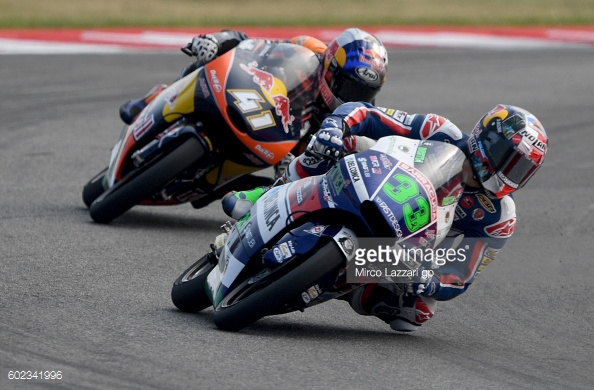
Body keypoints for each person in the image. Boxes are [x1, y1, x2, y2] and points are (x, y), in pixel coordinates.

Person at [222, 102, 548, 332]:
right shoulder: (441, 131)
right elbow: (373, 115)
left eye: (522, 169)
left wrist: (432, 280)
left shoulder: (499, 217)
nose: (510, 174)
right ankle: (264, 197)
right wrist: (337, 125)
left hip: (407, 247)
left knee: (416, 313)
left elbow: (463, 270)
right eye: (510, 160)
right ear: (488, 141)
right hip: (374, 179)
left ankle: (340, 283)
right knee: (339, 143)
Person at [119, 28, 389, 179]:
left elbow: (339, 161)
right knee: (208, 59)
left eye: (362, 91)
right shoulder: (311, 49)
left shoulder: (358, 115)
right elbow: (256, 44)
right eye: (349, 85)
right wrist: (214, 42)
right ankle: (159, 95)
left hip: (279, 146)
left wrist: (301, 165)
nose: (353, 95)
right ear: (331, 65)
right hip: (255, 96)